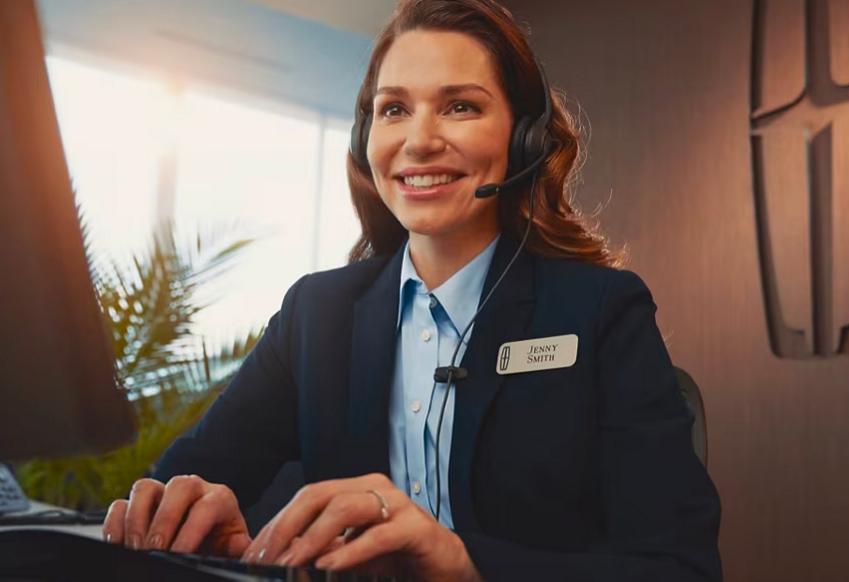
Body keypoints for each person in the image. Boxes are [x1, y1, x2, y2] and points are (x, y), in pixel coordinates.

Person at [102, 1, 723, 580]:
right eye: (394, 108)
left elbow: (679, 565)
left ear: (524, 139)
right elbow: (189, 487)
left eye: (460, 106)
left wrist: (462, 562)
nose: (419, 140)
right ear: (364, 139)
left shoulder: (600, 313)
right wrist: (188, 516)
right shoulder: (315, 315)